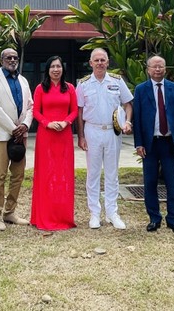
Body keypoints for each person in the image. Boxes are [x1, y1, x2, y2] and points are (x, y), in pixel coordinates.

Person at [76, 48, 133, 230]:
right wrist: (81, 136)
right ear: (90, 63)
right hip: (92, 130)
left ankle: (112, 212)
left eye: (103, 60)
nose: (100, 63)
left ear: (108, 62)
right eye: (96, 60)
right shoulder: (83, 84)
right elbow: (79, 111)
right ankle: (94, 213)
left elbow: (128, 104)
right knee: (92, 174)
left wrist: (128, 122)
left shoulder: (116, 81)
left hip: (112, 132)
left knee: (111, 173)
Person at [133, 56, 174, 234]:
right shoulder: (141, 90)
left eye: (161, 66)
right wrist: (139, 143)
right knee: (150, 182)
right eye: (154, 67)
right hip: (150, 143)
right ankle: (154, 218)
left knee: (173, 182)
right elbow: (138, 118)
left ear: (165, 69)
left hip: (169, 142)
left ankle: (173, 219)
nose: (158, 69)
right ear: (148, 69)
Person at [0, 48, 33, 230]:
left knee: (18, 175)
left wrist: (25, 126)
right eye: (8, 57)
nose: (12, 60)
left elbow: (30, 106)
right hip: (3, 134)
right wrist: (14, 129)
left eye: (15, 58)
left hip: (21, 134)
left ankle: (9, 212)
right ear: (1, 60)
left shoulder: (23, 80)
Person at [30, 56, 79, 231]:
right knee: (46, 174)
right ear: (47, 69)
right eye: (52, 66)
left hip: (64, 135)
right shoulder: (40, 88)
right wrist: (47, 123)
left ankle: (63, 215)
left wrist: (66, 122)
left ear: (63, 69)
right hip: (46, 136)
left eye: (59, 66)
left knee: (63, 175)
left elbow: (74, 111)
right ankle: (44, 215)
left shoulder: (70, 88)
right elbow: (35, 111)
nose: (56, 69)